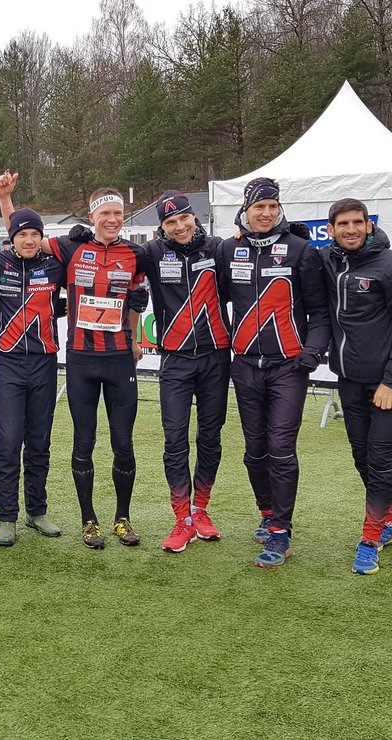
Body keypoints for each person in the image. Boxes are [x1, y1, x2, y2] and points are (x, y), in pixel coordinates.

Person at [0, 171, 149, 550]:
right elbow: (23, 234)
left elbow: (136, 297)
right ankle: (88, 521)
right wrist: (5, 198)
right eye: (104, 213)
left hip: (119, 361)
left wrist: (133, 338)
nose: (111, 219)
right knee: (83, 443)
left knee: (123, 444)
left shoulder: (137, 254)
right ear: (92, 216)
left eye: (117, 213)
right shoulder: (69, 247)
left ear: (123, 216)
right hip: (81, 360)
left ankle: (122, 518)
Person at [220, 177, 329, 568]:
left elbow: (320, 311)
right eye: (258, 207)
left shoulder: (301, 250)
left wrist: (311, 352)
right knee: (255, 451)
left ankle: (281, 532)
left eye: (272, 206)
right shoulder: (228, 250)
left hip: (288, 368)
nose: (266, 213)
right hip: (245, 365)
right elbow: (211, 295)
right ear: (245, 210)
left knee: (281, 450)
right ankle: (267, 513)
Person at [320, 198, 392, 575]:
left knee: (379, 461)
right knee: (361, 458)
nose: (350, 229)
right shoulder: (328, 261)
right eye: (343, 224)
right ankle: (389, 523)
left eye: (357, 222)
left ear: (369, 226)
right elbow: (294, 252)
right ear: (331, 230)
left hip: (388, 384)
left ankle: (370, 539)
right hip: (349, 380)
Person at [142, 190, 232, 553]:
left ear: (195, 216)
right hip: (175, 360)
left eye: (184, 218)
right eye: (170, 222)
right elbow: (112, 254)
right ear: (162, 227)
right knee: (175, 438)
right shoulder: (152, 252)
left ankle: (201, 510)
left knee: (210, 436)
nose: (179, 226)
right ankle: (181, 518)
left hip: (216, 357)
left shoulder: (219, 249)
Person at [0, 205, 67, 547]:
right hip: (7, 364)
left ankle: (37, 511)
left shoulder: (55, 266)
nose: (29, 240)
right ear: (12, 238)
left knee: (39, 442)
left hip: (45, 363)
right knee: (7, 443)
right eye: (22, 234)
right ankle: (7, 517)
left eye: (35, 234)